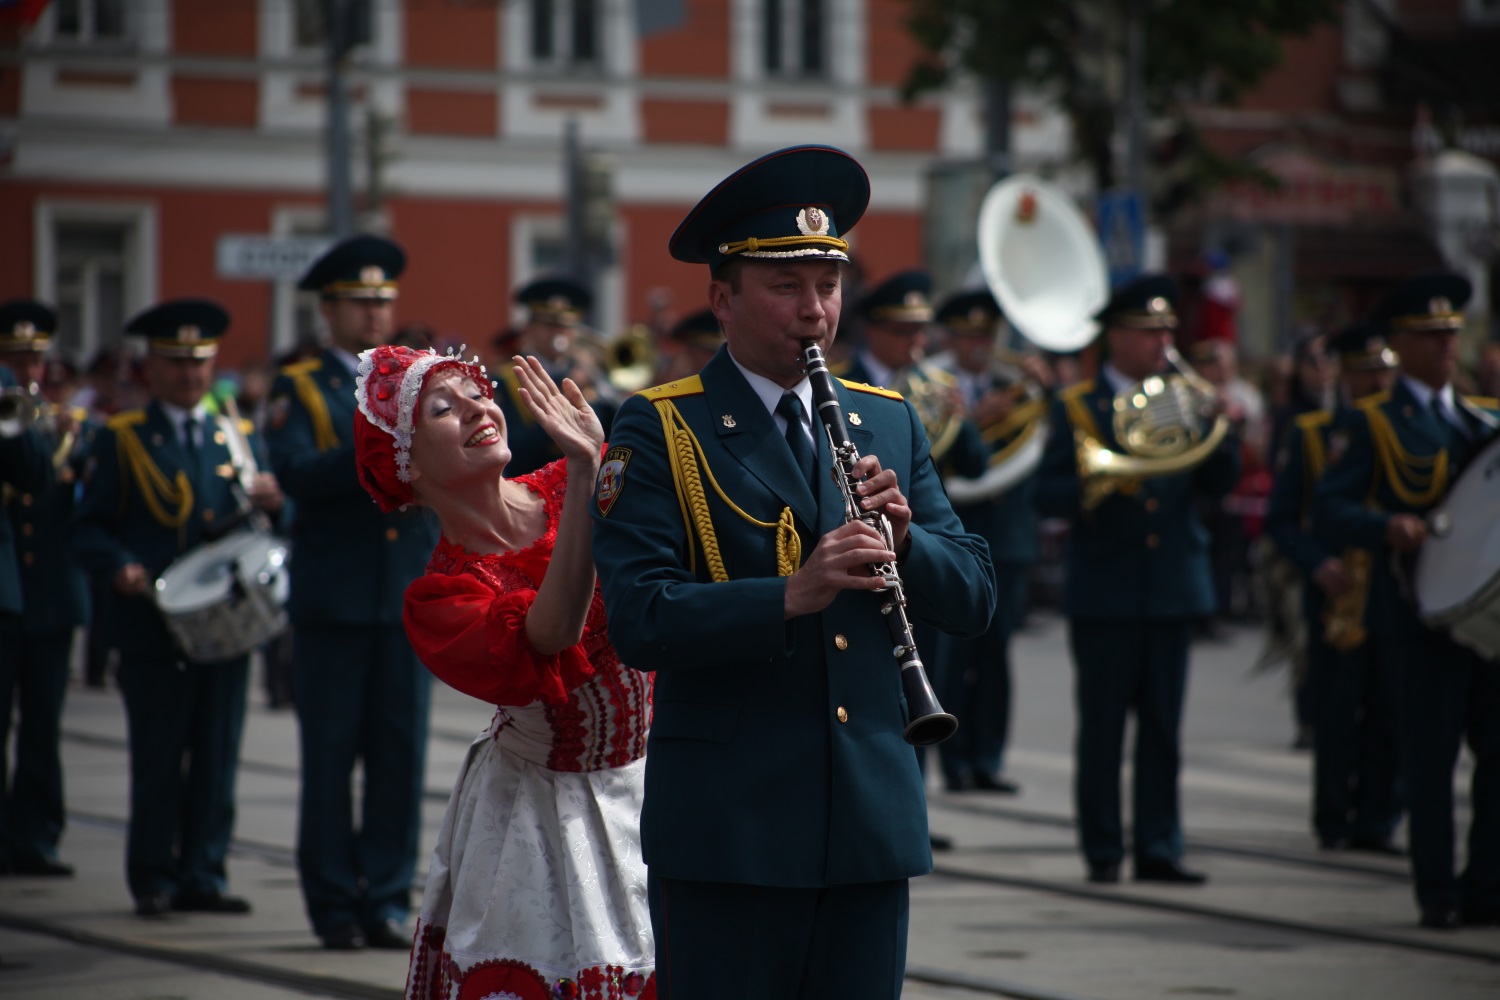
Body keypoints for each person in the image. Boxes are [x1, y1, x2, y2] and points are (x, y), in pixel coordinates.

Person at [590, 144, 995, 999]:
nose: (815, 311)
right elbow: (639, 619)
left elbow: (976, 596)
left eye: (828, 285)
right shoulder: (661, 428)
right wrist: (794, 593)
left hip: (868, 824)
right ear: (721, 297)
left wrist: (908, 542)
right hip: (732, 829)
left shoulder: (887, 422)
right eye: (786, 288)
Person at [350, 344, 655, 999]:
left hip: (660, 782)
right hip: (546, 816)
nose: (475, 408)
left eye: (475, 392)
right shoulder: (441, 597)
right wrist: (586, 474)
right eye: (442, 407)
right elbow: (552, 633)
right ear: (406, 462)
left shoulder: (566, 482)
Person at [72, 299, 284, 916]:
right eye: (176, 364)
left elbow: (268, 522)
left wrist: (275, 503)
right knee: (159, 758)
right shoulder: (124, 438)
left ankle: (204, 874)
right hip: (154, 628)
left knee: (217, 759)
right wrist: (120, 569)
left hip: (225, 623)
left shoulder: (237, 435)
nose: (190, 377)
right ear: (152, 369)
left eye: (200, 364)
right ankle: (154, 877)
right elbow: (89, 527)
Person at [1034, 274, 1240, 886]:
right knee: (1102, 731)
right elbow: (1047, 494)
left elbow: (1217, 485)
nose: (1163, 342)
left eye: (1167, 330)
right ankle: (1102, 849)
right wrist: (1101, 488)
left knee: (1163, 732)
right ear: (1116, 336)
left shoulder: (1182, 397)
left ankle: (1159, 846)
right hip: (1106, 592)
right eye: (1150, 331)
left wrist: (1223, 428)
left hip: (1172, 587)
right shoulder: (1076, 407)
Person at [265, 235, 438, 950]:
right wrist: (375, 437)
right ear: (328, 310)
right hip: (335, 601)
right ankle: (335, 903)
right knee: (331, 761)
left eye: (384, 302)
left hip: (404, 595)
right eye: (360, 304)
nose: (375, 316)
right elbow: (298, 474)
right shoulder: (300, 385)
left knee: (401, 759)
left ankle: (389, 898)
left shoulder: (415, 377)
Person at [1314, 272, 1500, 930]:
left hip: (1486, 620)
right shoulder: (1374, 421)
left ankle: (1486, 886)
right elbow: (1328, 507)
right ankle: (1437, 892)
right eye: (1430, 336)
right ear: (1400, 343)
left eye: (1451, 334)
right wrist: (1385, 527)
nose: (1446, 346)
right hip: (1415, 615)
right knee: (1429, 761)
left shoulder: (1484, 420)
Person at [1265, 322, 1401, 855]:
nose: (1378, 381)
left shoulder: (1408, 429)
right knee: (1337, 709)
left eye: (1385, 370)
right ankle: (1333, 816)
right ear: (1345, 374)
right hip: (1338, 593)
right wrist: (1316, 562)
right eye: (1368, 371)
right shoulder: (1314, 433)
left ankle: (1379, 816)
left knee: (1390, 709)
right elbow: (1280, 519)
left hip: (1394, 593)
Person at [930, 289, 1050, 795]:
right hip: (955, 530)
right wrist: (975, 420)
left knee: (997, 660)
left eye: (985, 335)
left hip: (1008, 540)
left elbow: (1049, 444)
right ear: (952, 338)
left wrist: (1050, 393)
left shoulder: (1017, 386)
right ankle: (954, 763)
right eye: (967, 335)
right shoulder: (937, 387)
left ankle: (989, 758)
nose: (978, 345)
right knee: (952, 660)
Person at [0, 300, 89, 877]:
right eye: (15, 355)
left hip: (49, 594)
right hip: (12, 589)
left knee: (41, 727)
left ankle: (36, 835)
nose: (27, 368)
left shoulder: (61, 423)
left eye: (35, 355)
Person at [495, 276, 617, 475]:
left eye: (567, 326)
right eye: (549, 325)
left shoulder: (590, 374)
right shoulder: (506, 378)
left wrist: (604, 387)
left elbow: (613, 433)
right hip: (534, 486)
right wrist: (566, 393)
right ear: (529, 328)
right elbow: (514, 449)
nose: (558, 333)